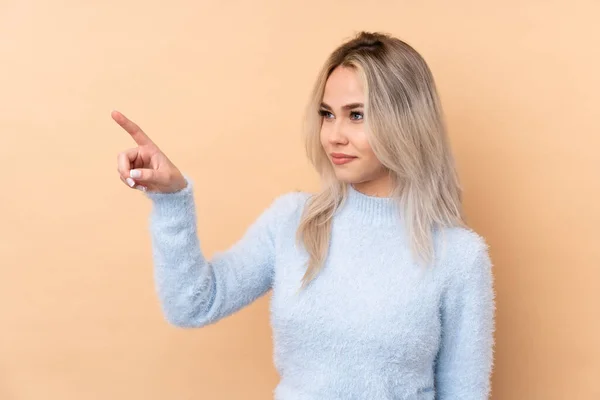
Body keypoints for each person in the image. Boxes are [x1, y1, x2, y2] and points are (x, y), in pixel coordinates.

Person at [113, 31, 495, 400]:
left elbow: (464, 393)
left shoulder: (459, 257)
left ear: (406, 121)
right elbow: (193, 304)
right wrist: (172, 200)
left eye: (357, 115)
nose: (334, 135)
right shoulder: (292, 221)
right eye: (327, 114)